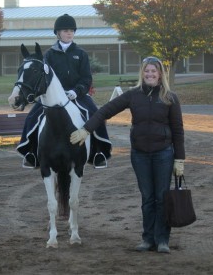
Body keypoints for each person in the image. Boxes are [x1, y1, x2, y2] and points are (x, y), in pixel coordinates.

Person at [70, 56, 185, 254]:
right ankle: (148, 239)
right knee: (147, 197)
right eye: (146, 71)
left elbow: (178, 129)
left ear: (160, 74)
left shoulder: (170, 97)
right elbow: (105, 110)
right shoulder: (133, 95)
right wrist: (86, 129)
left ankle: (162, 240)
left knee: (161, 197)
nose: (149, 74)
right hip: (140, 155)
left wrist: (179, 159)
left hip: (163, 154)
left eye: (153, 71)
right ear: (142, 73)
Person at [17, 14, 112, 168]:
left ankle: (99, 152)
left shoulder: (81, 54)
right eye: (65, 30)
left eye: (71, 31)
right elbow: (44, 77)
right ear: (58, 33)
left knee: (95, 114)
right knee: (32, 117)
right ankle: (31, 153)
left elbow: (86, 78)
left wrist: (76, 91)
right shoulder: (49, 54)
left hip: (77, 94)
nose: (69, 33)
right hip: (53, 96)